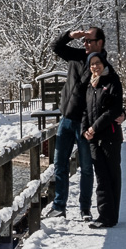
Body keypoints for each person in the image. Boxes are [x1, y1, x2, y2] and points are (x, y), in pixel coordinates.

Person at [47, 26, 105, 220]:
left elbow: (110, 93)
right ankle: (59, 206)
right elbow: (56, 46)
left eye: (90, 40)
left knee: (87, 168)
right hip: (66, 119)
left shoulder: (102, 65)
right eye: (85, 41)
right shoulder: (76, 56)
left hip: (85, 122)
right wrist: (71, 35)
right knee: (59, 165)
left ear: (100, 43)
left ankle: (85, 208)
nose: (86, 44)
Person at [82, 50, 125, 227]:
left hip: (110, 137)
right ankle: (105, 215)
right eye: (92, 64)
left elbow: (114, 110)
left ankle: (109, 216)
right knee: (101, 177)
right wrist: (85, 129)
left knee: (112, 175)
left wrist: (94, 127)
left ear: (104, 63)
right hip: (94, 138)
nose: (95, 66)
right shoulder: (90, 85)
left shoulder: (112, 81)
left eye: (98, 63)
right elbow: (85, 110)